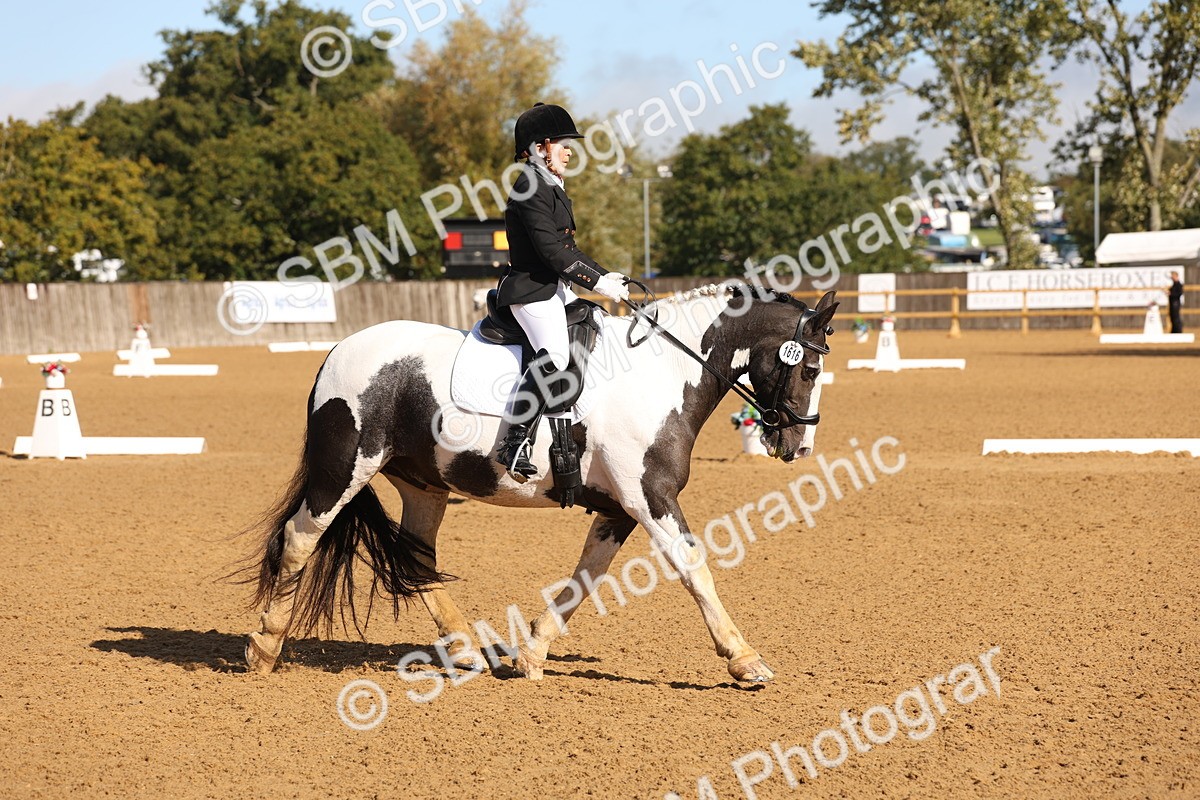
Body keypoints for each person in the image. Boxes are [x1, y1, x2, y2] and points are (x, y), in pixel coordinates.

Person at [493, 103, 630, 482]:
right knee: (553, 353)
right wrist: (596, 283)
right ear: (540, 148)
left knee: (598, 327)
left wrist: (606, 276)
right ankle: (514, 442)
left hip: (555, 289)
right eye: (563, 144)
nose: (570, 151)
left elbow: (569, 250)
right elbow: (550, 251)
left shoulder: (552, 187)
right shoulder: (529, 185)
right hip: (531, 290)